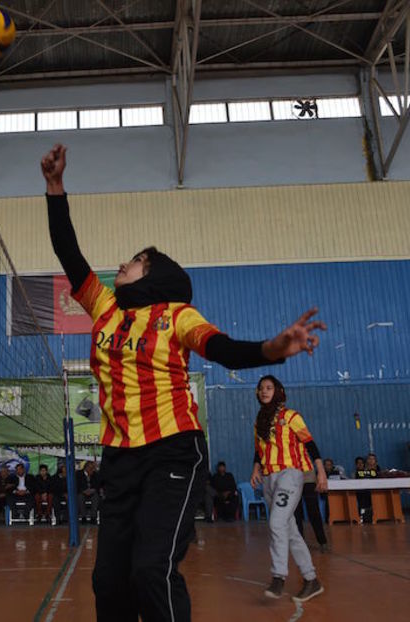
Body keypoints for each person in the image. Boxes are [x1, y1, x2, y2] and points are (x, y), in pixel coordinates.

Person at [42, 143, 325, 621]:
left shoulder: (177, 315)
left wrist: (273, 349)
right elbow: (68, 252)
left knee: (151, 569)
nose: (123, 265)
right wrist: (55, 189)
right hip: (119, 458)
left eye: (134, 261)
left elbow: (222, 348)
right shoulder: (104, 307)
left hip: (173, 451)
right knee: (108, 581)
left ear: (156, 275)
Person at [251, 376, 327, 603]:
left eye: (269, 388)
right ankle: (311, 580)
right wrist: (256, 468)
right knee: (290, 531)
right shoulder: (260, 422)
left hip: (290, 475)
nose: (264, 391)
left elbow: (310, 443)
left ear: (278, 391)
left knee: (275, 523)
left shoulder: (291, 416)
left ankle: (278, 577)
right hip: (268, 478)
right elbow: (259, 450)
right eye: (261, 388)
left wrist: (320, 471)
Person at [293, 466, 329, 553]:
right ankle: (299, 542)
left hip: (308, 477)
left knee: (314, 511)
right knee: (296, 512)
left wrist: (320, 474)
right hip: (292, 478)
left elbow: (315, 456)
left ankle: (322, 541)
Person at [354, 456, 377, 522]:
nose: (360, 464)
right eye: (358, 463)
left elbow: (374, 475)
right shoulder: (355, 473)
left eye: (362, 463)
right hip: (360, 493)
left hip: (370, 492)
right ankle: (362, 516)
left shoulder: (370, 472)